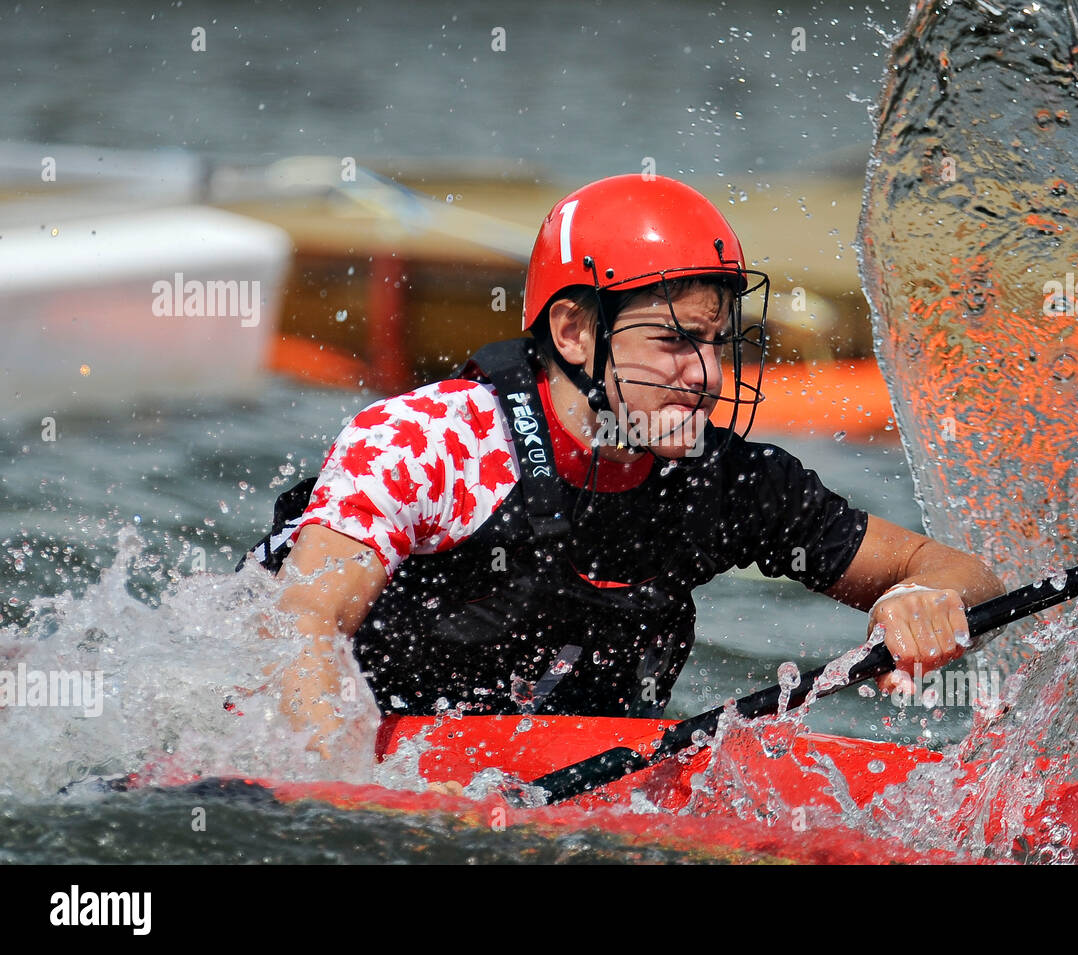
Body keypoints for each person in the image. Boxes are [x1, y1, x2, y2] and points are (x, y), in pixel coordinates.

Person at [248, 173, 1005, 758]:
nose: (707, 374)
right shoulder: (430, 443)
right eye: (675, 341)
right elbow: (304, 624)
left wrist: (922, 599)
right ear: (574, 331)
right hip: (352, 756)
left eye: (720, 341)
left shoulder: (729, 482)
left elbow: (961, 573)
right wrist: (344, 789)